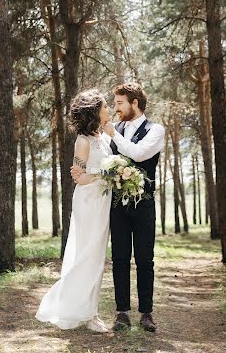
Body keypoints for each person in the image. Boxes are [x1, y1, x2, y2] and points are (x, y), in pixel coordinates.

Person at [72, 82, 165, 333]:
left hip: (144, 205)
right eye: (113, 103)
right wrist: (81, 170)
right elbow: (93, 154)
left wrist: (114, 134)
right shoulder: (110, 131)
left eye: (120, 103)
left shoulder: (155, 130)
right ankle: (121, 312)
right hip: (115, 205)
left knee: (145, 259)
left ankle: (146, 313)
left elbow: (138, 154)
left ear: (135, 104)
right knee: (120, 258)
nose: (116, 108)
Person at [35, 89, 112, 332]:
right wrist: (106, 174)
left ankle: (90, 310)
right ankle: (86, 312)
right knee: (87, 255)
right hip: (88, 201)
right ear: (94, 112)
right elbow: (78, 177)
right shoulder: (83, 141)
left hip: (104, 201)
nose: (108, 110)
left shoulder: (105, 139)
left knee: (98, 257)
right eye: (104, 107)